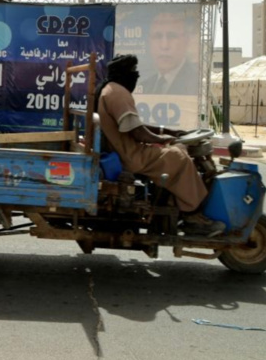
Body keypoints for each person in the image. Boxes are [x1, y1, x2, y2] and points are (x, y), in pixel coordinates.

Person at [96, 54, 225, 237]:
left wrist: (168, 132)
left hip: (126, 150)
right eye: (133, 71)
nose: (137, 75)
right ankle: (192, 216)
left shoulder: (111, 89)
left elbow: (137, 126)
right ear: (124, 72)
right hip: (131, 156)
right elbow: (137, 132)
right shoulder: (117, 93)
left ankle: (175, 202)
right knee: (179, 157)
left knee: (177, 149)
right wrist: (161, 139)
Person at [140, 12, 198, 95]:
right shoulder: (145, 86)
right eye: (157, 36)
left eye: (172, 36)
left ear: (186, 41)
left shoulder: (196, 82)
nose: (164, 46)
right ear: (149, 42)